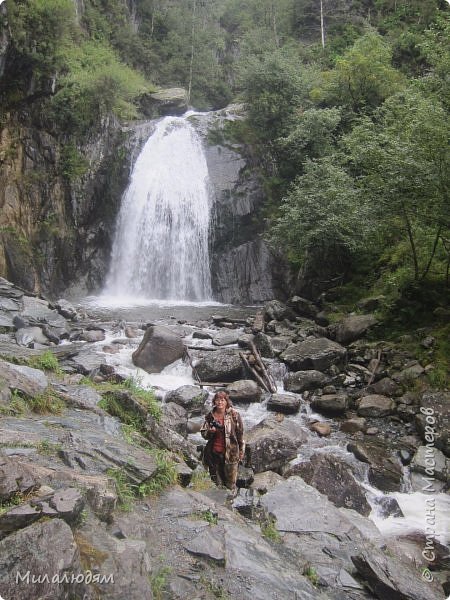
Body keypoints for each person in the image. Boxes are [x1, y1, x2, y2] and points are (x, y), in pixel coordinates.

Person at [200, 391, 245, 496]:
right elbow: (203, 434)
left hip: (231, 454)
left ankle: (230, 505)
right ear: (214, 401)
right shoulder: (210, 416)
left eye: (222, 400)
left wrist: (242, 450)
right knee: (217, 483)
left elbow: (240, 434)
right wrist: (210, 432)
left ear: (226, 402)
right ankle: (219, 507)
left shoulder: (234, 415)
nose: (220, 402)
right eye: (217, 400)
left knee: (230, 484)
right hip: (213, 454)